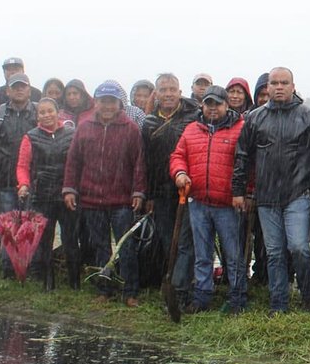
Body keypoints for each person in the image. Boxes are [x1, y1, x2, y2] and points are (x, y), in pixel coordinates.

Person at [232, 68, 310, 313]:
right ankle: (278, 303)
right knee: (274, 252)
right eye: (274, 83)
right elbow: (243, 156)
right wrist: (238, 190)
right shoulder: (255, 118)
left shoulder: (309, 117)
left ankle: (307, 297)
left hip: (298, 193)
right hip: (266, 196)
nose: (279, 87)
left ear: (293, 86)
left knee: (299, 247)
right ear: (268, 87)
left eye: (284, 82)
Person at [63, 81, 148, 305]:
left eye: (112, 101)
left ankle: (130, 292)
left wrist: (138, 192)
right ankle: (104, 289)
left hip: (122, 201)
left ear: (119, 103)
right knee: (100, 247)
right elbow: (73, 161)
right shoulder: (84, 127)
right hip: (92, 199)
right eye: (103, 101)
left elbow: (139, 163)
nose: (107, 106)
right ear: (96, 103)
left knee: (126, 247)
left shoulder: (130, 129)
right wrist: (69, 189)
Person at [171, 88, 247, 313]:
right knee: (202, 254)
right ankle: (202, 296)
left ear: (226, 105)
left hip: (228, 204)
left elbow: (247, 163)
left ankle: (237, 298)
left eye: (218, 104)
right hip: (199, 202)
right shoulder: (191, 129)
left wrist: (246, 192)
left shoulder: (241, 129)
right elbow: (178, 156)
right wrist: (180, 173)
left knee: (233, 255)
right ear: (202, 105)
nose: (213, 108)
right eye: (208, 104)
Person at [142, 74, 198, 300]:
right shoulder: (149, 123)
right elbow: (145, 161)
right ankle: (172, 282)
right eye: (163, 90)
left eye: (172, 89)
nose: (168, 94)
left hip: (187, 188)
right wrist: (148, 194)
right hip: (160, 191)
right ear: (156, 94)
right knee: (167, 240)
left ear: (180, 92)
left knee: (186, 241)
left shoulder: (193, 117)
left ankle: (182, 288)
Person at [16, 96, 77, 289]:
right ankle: (48, 282)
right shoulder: (30, 137)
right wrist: (23, 185)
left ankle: (74, 281)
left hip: (66, 194)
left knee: (70, 238)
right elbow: (23, 166)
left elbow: (76, 163)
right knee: (44, 241)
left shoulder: (71, 134)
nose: (47, 115)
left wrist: (73, 188)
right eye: (42, 112)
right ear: (37, 116)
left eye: (50, 111)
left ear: (58, 112)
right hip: (41, 195)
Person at [0, 74, 38, 225]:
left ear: (29, 90)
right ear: (7, 91)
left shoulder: (40, 113)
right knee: (8, 230)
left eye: (23, 86)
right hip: (5, 183)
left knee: (31, 230)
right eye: (15, 87)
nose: (19, 90)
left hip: (33, 184)